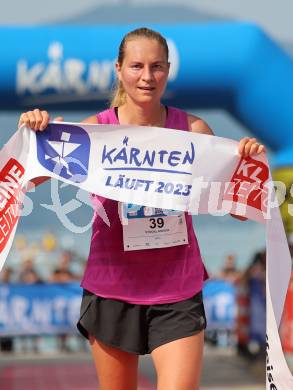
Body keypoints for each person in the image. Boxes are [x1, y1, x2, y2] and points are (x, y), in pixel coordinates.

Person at [18, 27, 265, 390]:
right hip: (111, 290)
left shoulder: (194, 130)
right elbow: (20, 179)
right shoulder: (94, 132)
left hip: (177, 293)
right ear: (119, 69)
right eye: (136, 66)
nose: (147, 77)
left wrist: (247, 164)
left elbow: (241, 211)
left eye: (157, 66)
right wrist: (32, 134)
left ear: (168, 70)